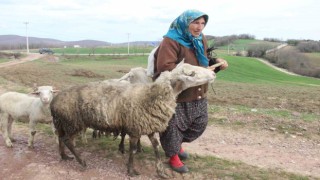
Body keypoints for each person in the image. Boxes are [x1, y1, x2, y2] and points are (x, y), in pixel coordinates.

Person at [152, 9, 228, 173]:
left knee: (199, 123)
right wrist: (195, 71)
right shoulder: (171, 41)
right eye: (195, 23)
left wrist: (216, 62)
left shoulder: (200, 39)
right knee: (172, 127)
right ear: (185, 23)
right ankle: (173, 156)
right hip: (176, 95)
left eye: (202, 23)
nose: (199, 27)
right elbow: (165, 68)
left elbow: (204, 59)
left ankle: (176, 145)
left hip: (198, 91)